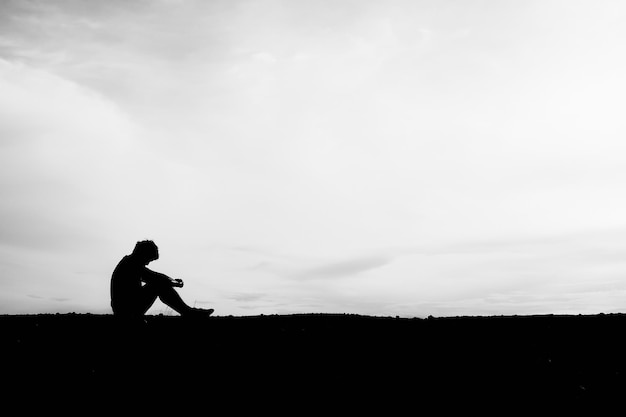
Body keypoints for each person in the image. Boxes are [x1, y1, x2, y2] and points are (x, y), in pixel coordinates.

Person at [111, 240, 213, 318]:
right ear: (143, 254)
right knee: (159, 285)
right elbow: (155, 277)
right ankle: (188, 312)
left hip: (127, 306)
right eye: (149, 259)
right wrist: (174, 283)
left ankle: (188, 312)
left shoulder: (130, 263)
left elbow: (155, 276)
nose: (147, 263)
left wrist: (171, 281)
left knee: (159, 284)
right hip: (126, 310)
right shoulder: (131, 264)